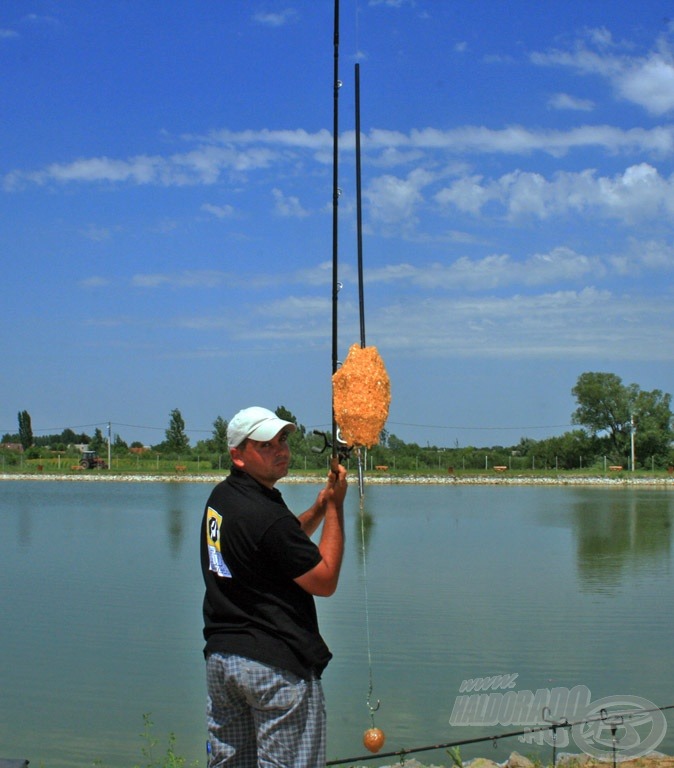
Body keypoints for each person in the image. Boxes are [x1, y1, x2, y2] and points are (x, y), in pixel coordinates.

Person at [201, 406, 348, 768]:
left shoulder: (223, 498)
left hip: (223, 662)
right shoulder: (264, 514)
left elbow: (279, 545)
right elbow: (324, 580)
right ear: (238, 455)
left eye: (282, 440)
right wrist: (336, 510)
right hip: (274, 668)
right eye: (265, 444)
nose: (281, 450)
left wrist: (319, 505)